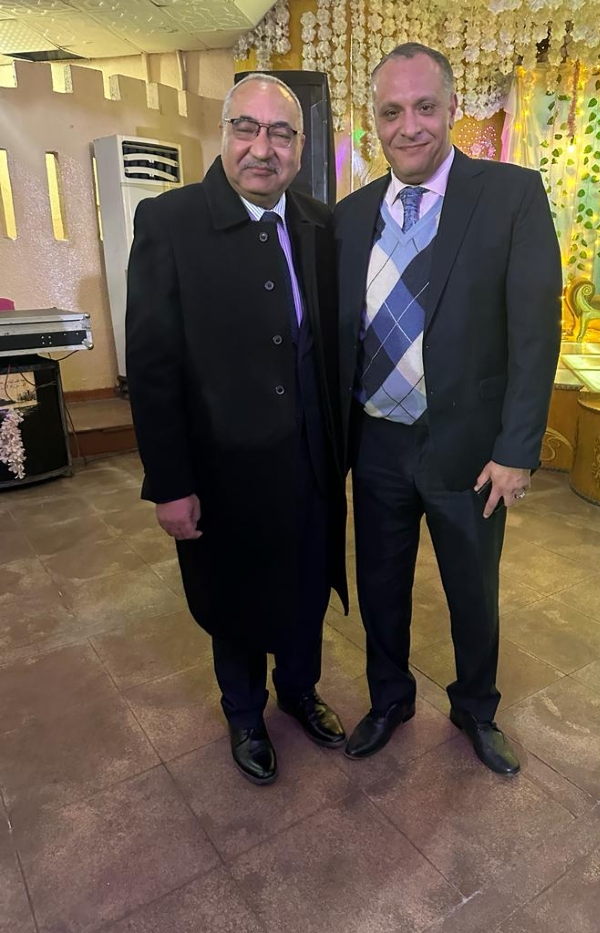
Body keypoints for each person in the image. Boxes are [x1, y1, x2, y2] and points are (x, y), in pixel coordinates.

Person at [334, 44, 562, 775]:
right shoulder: (349, 217)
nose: (409, 126)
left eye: (425, 107)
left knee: (472, 589)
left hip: (470, 447)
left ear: (453, 108)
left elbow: (535, 334)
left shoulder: (511, 195)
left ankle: (475, 708)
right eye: (391, 112)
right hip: (376, 442)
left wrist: (518, 450)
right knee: (381, 585)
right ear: (374, 121)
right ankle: (389, 699)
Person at [126, 73, 348, 786]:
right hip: (223, 469)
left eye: (280, 133)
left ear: (300, 146)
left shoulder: (319, 223)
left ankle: (300, 690)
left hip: (309, 459)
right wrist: (170, 483)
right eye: (246, 128)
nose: (262, 147)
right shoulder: (170, 222)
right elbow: (152, 367)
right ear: (223, 134)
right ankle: (245, 713)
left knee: (306, 582)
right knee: (236, 592)